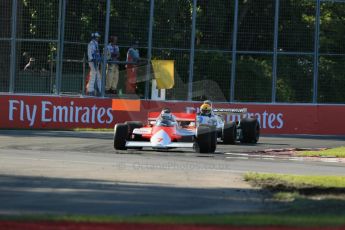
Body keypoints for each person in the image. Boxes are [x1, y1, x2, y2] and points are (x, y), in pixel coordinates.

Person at [87, 32, 102, 96]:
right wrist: (93, 60)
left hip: (96, 61)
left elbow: (97, 53)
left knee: (98, 76)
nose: (98, 38)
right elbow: (90, 53)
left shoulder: (96, 43)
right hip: (92, 61)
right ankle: (90, 90)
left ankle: (100, 90)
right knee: (93, 75)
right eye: (97, 37)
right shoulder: (91, 44)